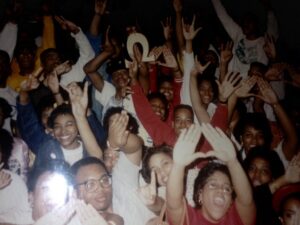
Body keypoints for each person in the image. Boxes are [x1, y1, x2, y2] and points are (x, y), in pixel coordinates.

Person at [166, 123, 256, 225]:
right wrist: (178, 165)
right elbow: (173, 204)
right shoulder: (189, 219)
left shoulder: (237, 218)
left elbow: (246, 200)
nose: (221, 190)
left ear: (231, 201)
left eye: (227, 189)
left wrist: (232, 162)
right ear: (200, 195)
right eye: (213, 185)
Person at [71, 157, 124, 225]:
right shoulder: (67, 220)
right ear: (76, 192)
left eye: (104, 180)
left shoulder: (122, 206)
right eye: (91, 184)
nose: (100, 188)